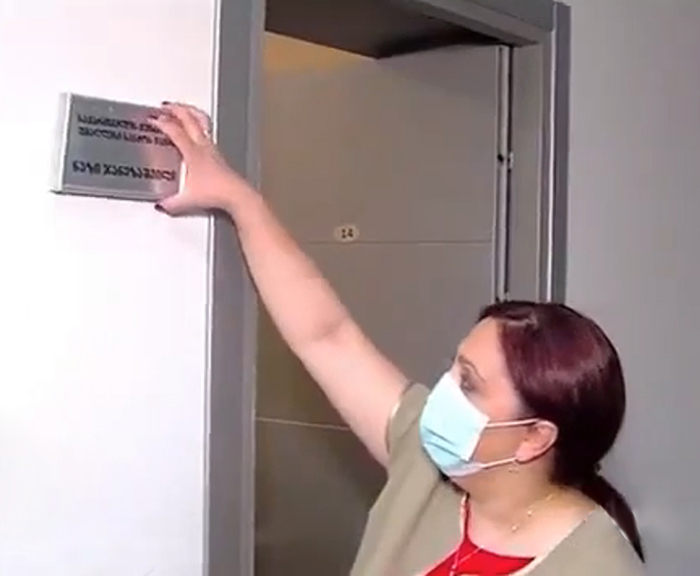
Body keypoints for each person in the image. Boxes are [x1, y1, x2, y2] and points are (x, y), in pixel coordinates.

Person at [150, 104, 645, 575]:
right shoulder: (426, 466)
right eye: (454, 367)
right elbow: (327, 336)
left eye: (469, 384)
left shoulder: (596, 566)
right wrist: (238, 198)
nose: (443, 392)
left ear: (534, 437)